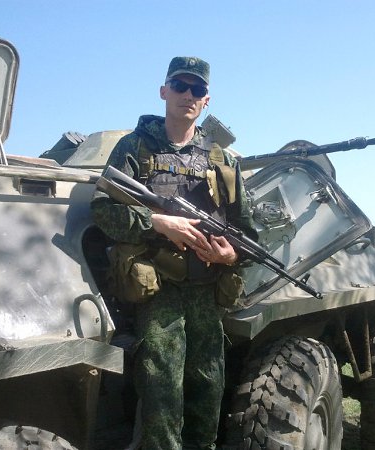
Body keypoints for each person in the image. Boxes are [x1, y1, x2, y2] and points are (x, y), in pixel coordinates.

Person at [91, 56, 257, 450]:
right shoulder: (134, 147)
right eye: (180, 86)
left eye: (197, 89)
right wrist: (157, 223)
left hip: (207, 291)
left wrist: (230, 256)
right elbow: (103, 211)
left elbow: (247, 232)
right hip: (159, 289)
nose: (188, 94)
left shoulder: (222, 158)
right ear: (163, 91)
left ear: (206, 100)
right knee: (160, 389)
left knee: (208, 387)